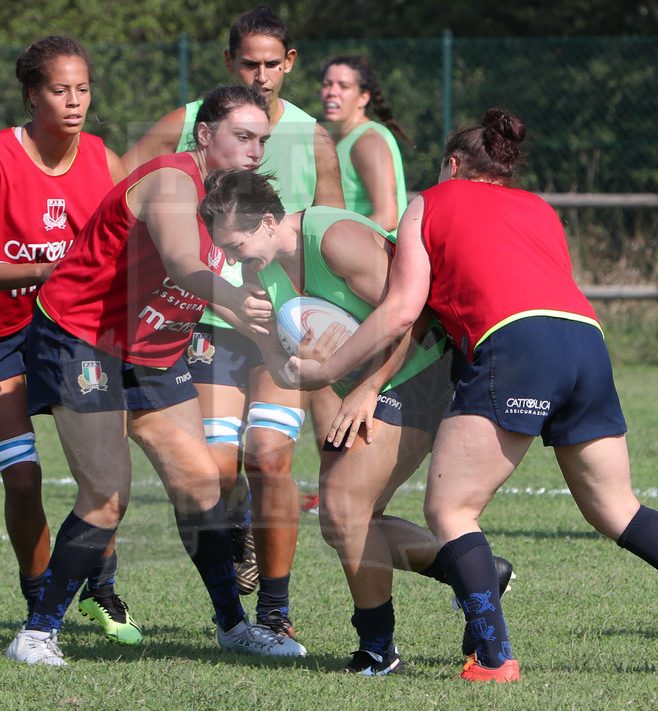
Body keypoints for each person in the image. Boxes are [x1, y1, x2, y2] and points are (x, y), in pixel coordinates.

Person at [280, 107, 658, 683]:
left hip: (514, 344)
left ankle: (492, 658)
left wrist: (333, 372)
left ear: (452, 164)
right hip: (585, 340)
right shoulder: (537, 207)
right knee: (617, 509)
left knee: (451, 509)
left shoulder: (431, 201)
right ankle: (487, 647)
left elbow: (403, 310)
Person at [5, 85, 307, 666]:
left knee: (200, 483)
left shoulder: (232, 201)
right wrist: (240, 307)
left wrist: (283, 347)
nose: (253, 151)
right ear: (203, 136)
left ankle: (233, 626)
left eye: (261, 141)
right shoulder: (172, 181)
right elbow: (183, 265)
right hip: (82, 338)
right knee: (108, 494)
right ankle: (37, 633)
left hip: (154, 346)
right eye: (241, 137)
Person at [199, 168, 513, 675]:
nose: (233, 261)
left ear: (270, 221)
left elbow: (415, 312)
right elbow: (290, 368)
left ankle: (377, 650)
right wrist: (258, 333)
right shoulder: (262, 269)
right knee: (342, 522)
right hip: (367, 391)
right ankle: (475, 573)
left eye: (236, 247)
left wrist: (367, 388)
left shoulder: (334, 239)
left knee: (345, 510)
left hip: (423, 372)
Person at [122, 4, 344, 640]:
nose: (262, 74)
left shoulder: (312, 138)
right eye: (249, 62)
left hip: (278, 326)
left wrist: (321, 325)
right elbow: (118, 185)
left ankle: (275, 613)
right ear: (229, 63)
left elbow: (328, 231)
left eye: (273, 63)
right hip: (209, 324)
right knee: (216, 473)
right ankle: (237, 546)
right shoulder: (188, 124)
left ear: (290, 64)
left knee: (270, 457)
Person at [0, 36, 139, 645]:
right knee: (23, 478)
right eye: (60, 90)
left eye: (83, 88)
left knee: (101, 473)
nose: (75, 101)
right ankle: (39, 602)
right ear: (33, 94)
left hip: (71, 330)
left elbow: (132, 248)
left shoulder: (104, 160)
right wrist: (46, 271)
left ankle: (99, 587)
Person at [320, 54, 412, 233]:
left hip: (371, 257)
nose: (332, 92)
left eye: (344, 86)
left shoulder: (368, 141)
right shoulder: (327, 138)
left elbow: (387, 217)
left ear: (363, 97)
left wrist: (333, 243)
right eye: (327, 84)